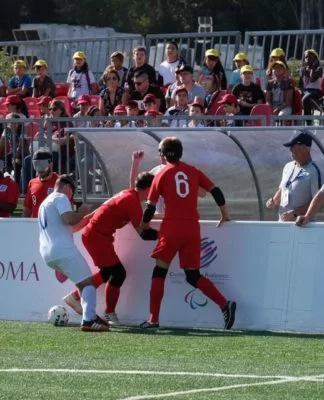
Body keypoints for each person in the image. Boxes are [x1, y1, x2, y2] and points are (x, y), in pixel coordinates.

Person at [139, 136, 236, 330]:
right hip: (192, 228)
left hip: (172, 228)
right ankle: (225, 304)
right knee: (192, 275)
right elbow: (216, 191)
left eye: (160, 152)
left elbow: (150, 208)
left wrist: (143, 226)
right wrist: (225, 214)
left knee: (159, 272)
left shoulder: (161, 174)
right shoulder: (193, 171)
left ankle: (153, 320)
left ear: (165, 154)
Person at [62, 172, 158, 325]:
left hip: (98, 236)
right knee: (118, 273)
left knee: (109, 273)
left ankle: (76, 297)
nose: (156, 194)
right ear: (148, 189)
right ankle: (107, 311)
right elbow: (144, 234)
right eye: (155, 189)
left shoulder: (129, 195)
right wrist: (166, 235)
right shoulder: (131, 201)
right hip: (96, 236)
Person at [38, 174, 109, 332]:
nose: (71, 197)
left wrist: (87, 217)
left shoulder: (45, 202)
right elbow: (69, 219)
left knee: (81, 282)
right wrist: (83, 212)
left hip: (48, 253)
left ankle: (89, 315)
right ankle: (89, 319)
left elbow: (71, 227)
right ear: (67, 187)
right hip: (62, 250)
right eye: (73, 192)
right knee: (88, 282)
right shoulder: (60, 197)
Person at [265, 132, 321, 221]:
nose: (290, 150)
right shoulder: (288, 166)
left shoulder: (315, 171)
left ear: (304, 148)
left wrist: (294, 213)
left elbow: (318, 201)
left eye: (293, 147)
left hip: (301, 226)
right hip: (282, 224)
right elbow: (283, 189)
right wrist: (274, 200)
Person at [23, 150, 60, 218]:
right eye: (36, 165)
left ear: (51, 164)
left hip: (53, 226)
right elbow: (27, 209)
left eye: (42, 165)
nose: (39, 169)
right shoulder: (32, 183)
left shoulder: (61, 182)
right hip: (35, 225)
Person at [299, 49, 323, 124]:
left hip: (315, 92)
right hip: (306, 91)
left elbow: (312, 79)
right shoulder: (302, 69)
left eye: (310, 57)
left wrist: (313, 67)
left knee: (305, 99)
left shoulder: (319, 69)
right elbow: (301, 84)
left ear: (315, 59)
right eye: (306, 57)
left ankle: (308, 123)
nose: (307, 59)